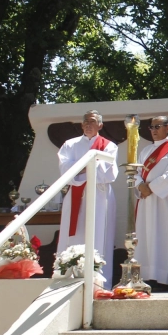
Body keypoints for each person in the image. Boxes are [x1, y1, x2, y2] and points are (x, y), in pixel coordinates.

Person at [57, 110, 119, 284]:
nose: (88, 124)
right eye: (85, 121)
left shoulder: (108, 146)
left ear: (100, 125)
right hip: (75, 194)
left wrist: (79, 167)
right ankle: (69, 278)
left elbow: (108, 172)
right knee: (74, 235)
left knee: (99, 234)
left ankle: (99, 282)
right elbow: (65, 170)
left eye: (92, 121)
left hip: (99, 195)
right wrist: (89, 165)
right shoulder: (70, 144)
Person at [134, 116, 168, 286]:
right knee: (144, 236)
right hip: (145, 201)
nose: (154, 130)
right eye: (151, 127)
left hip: (164, 201)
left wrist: (150, 188)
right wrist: (139, 185)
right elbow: (136, 172)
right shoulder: (145, 151)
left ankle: (164, 279)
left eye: (158, 126)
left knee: (163, 235)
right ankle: (145, 276)